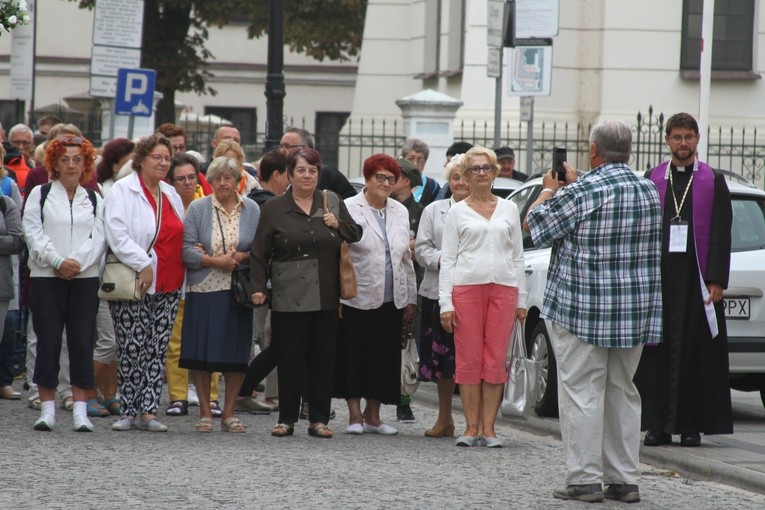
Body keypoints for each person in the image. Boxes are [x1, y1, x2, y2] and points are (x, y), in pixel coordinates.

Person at [525, 120, 663, 503]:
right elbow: (607, 191)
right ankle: (624, 480)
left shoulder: (583, 190)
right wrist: (577, 180)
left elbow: (535, 225)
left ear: (594, 151)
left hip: (583, 309)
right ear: (628, 150)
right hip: (633, 310)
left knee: (583, 392)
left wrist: (547, 191)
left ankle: (584, 479)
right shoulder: (648, 188)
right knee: (622, 392)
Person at [635, 112, 734, 448]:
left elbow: (721, 232)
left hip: (697, 280)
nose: (682, 143)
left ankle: (691, 425)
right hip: (661, 278)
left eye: (688, 137)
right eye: (676, 137)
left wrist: (717, 279)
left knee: (696, 352)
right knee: (657, 353)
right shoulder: (653, 178)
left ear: (697, 139)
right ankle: (657, 425)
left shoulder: (712, 180)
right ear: (667, 140)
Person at [252, 147, 361, 439]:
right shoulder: (274, 207)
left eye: (312, 170)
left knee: (322, 359)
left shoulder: (331, 201)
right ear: (289, 174)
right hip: (288, 292)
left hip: (326, 291)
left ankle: (319, 419)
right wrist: (258, 289)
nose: (307, 176)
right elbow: (259, 252)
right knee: (289, 357)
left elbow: (356, 233)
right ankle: (286, 418)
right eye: (301, 170)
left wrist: (337, 224)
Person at [439, 146, 526, 449]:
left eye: (485, 168)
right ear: (464, 174)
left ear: (495, 172)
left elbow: (517, 256)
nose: (480, 174)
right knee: (469, 359)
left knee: (495, 360)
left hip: (504, 289)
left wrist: (522, 299)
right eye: (473, 169)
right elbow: (448, 260)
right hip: (466, 290)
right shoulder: (456, 212)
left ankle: (489, 428)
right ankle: (470, 426)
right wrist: (445, 303)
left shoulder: (509, 209)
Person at [22, 134, 106, 432]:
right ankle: (47, 409)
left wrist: (77, 264)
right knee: (48, 341)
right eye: (65, 159)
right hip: (47, 278)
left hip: (84, 279)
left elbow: (99, 237)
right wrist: (58, 262)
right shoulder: (40, 194)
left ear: (85, 163)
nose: (71, 165)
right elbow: (33, 233)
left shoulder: (94, 197)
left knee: (82, 341)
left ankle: (80, 409)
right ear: (55, 163)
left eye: (77, 159)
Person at [103, 133, 185, 432]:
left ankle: (149, 410)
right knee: (131, 346)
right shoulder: (123, 191)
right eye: (158, 158)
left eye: (167, 158)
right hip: (135, 280)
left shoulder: (170, 192)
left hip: (170, 280)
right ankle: (128, 409)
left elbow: (179, 231)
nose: (164, 163)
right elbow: (116, 235)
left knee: (156, 347)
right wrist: (143, 264)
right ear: (141, 159)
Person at [334, 154, 417, 437]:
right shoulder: (348, 207)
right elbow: (339, 254)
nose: (385, 183)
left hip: (392, 296)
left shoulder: (399, 211)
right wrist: (337, 297)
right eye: (379, 177)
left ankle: (374, 416)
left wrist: (410, 297)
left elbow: (404, 256)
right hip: (356, 294)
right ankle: (355, 415)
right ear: (367, 178)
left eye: (390, 179)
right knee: (354, 353)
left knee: (383, 357)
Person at [180, 156, 260, 433]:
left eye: (228, 178)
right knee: (201, 352)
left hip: (238, 291)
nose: (223, 183)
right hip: (203, 288)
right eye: (217, 178)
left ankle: (228, 412)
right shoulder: (198, 209)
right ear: (210, 181)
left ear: (239, 181)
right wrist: (215, 262)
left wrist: (242, 255)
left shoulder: (252, 209)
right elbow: (187, 250)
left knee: (236, 353)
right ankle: (204, 411)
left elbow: (261, 249)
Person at [415, 154, 469, 437]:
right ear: (449, 181)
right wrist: (448, 260)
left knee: (471, 359)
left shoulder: (488, 210)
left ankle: (476, 423)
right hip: (438, 292)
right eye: (456, 177)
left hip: (475, 292)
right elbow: (421, 249)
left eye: (466, 176)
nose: (462, 182)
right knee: (444, 361)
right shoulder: (434, 211)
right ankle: (445, 417)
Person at [163, 154, 221, 418]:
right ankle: (178, 396)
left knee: (209, 340)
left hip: (205, 280)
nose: (186, 183)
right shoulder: (167, 205)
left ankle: (211, 396)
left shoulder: (207, 204)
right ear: (171, 182)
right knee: (175, 342)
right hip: (175, 279)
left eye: (191, 177)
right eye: (180, 178)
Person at [237, 149, 290, 414]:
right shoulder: (270, 205)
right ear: (277, 175)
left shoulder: (248, 201)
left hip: (259, 284)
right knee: (276, 344)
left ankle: (270, 393)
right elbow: (258, 247)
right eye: (289, 174)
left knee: (272, 343)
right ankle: (249, 390)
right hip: (268, 285)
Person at [88, 137, 135, 418]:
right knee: (109, 340)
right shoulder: (105, 194)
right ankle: (87, 392)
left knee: (119, 341)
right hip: (108, 273)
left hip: (128, 275)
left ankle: (110, 393)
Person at [391, 156, 424, 423]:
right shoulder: (383, 206)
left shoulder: (420, 211)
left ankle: (404, 400)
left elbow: (421, 249)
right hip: (385, 284)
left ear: (406, 181)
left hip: (412, 283)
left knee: (407, 343)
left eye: (394, 175)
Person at [279, 127, 356, 199]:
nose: (281, 150)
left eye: (287, 146)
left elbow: (351, 205)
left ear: (305, 148)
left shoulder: (327, 174)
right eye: (281, 146)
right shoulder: (277, 173)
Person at [0, 181, 24, 401]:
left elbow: (17, 241)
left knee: (5, 332)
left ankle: (3, 382)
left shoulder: (5, 203)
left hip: (1, 284)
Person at [402, 138, 440, 206]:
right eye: (411, 159)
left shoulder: (432, 185)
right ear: (403, 160)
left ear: (425, 163)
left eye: (420, 160)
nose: (415, 164)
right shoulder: (394, 183)